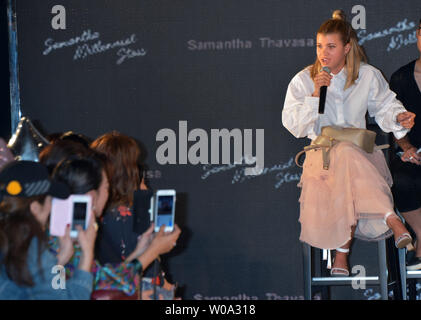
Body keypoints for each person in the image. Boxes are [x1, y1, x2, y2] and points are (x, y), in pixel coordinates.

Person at [282, 10, 416, 276]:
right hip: (322, 160)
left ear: (346, 47)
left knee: (349, 155)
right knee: (343, 153)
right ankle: (390, 216)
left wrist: (399, 116)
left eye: (331, 46)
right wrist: (314, 95)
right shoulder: (304, 79)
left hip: (361, 156)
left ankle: (341, 256)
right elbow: (294, 125)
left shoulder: (366, 75)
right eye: (320, 46)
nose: (324, 53)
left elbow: (386, 106)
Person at [51, 155, 181, 299]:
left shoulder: (63, 235)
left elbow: (106, 280)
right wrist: (152, 251)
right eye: (107, 187)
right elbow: (97, 287)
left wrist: (140, 251)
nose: (109, 194)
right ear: (92, 196)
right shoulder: (62, 240)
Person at [91, 131, 178, 299]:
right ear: (127, 168)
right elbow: (145, 266)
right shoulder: (127, 215)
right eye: (134, 162)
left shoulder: (95, 214)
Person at [0, 161, 97, 299]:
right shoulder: (30, 248)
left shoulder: (11, 242)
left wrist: (60, 261)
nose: (51, 208)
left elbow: (49, 292)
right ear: (34, 208)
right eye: (50, 201)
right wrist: (87, 254)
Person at [389, 19, 421, 270]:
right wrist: (407, 147)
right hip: (414, 155)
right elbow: (393, 122)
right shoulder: (401, 77)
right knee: (399, 178)